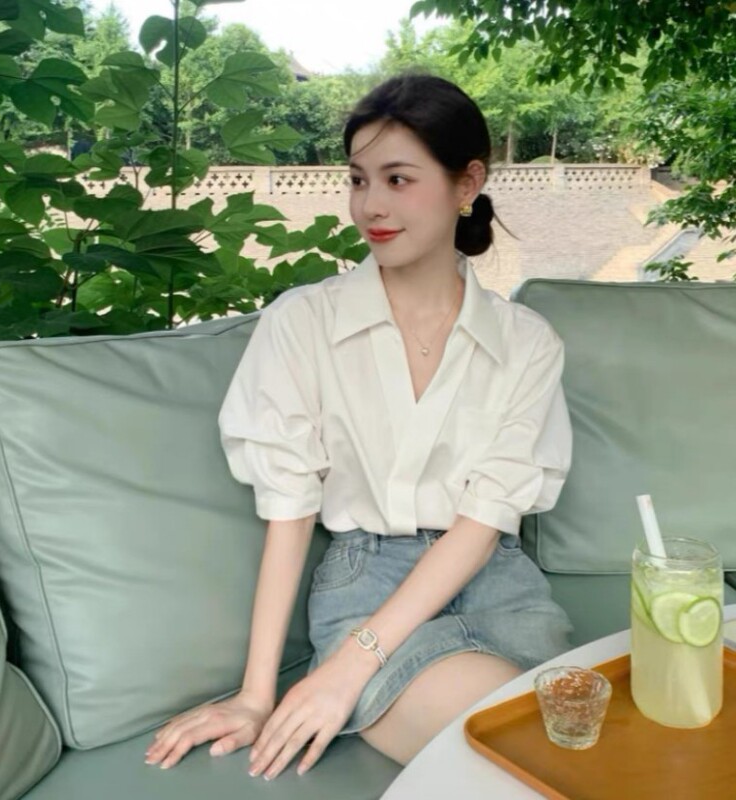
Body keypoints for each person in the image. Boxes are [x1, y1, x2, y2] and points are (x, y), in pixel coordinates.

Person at [145, 73, 573, 779]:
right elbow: (289, 511)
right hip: (366, 578)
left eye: (398, 179)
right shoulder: (303, 322)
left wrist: (351, 667)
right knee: (518, 753)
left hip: (499, 585)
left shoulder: (528, 344)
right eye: (357, 179)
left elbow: (481, 525)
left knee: (572, 750)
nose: (370, 205)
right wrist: (258, 694)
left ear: (467, 183)